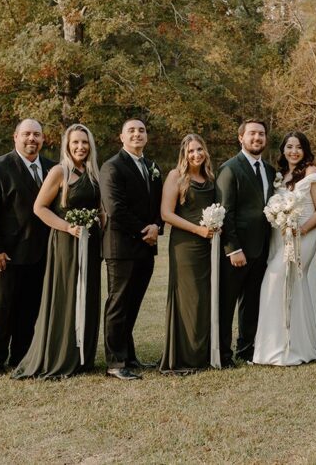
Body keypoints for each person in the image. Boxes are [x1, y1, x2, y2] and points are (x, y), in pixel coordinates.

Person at [13, 124, 103, 379]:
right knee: (66, 295)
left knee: (88, 294)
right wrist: (67, 227)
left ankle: (82, 355)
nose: (80, 147)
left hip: (91, 243)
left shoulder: (93, 172)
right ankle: (61, 353)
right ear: (67, 145)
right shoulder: (59, 171)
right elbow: (39, 208)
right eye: (75, 142)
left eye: (84, 142)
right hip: (66, 243)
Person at [0, 118, 55, 375]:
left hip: (40, 252)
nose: (32, 139)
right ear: (15, 136)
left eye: (37, 135)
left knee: (29, 308)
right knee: (0, 309)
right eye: (27, 134)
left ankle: (21, 356)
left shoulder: (52, 168)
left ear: (43, 139)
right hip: (5, 253)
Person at [252, 132, 316, 366]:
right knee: (290, 286)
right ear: (283, 150)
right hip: (280, 237)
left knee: (276, 281)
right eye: (289, 146)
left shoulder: (313, 173)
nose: (293, 151)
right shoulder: (280, 176)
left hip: (303, 237)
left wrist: (302, 230)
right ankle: (280, 346)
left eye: (298, 147)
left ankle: (292, 349)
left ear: (305, 150)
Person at [100, 117, 164, 380]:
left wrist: (157, 226)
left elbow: (160, 205)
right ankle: (115, 363)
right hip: (121, 247)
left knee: (134, 303)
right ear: (121, 137)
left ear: (146, 136)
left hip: (146, 247)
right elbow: (115, 209)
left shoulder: (152, 166)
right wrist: (144, 230)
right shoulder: (112, 167)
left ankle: (129, 355)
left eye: (141, 130)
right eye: (131, 131)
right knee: (118, 303)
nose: (137, 134)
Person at [217, 119, 275, 366]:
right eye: (252, 134)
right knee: (227, 303)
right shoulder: (230, 168)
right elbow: (225, 212)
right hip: (238, 249)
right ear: (241, 137)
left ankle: (247, 349)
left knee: (252, 302)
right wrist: (233, 249)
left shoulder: (270, 171)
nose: (257, 138)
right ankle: (222, 352)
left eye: (261, 134)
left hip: (262, 248)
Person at [159, 134, 217, 374]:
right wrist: (198, 230)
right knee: (188, 298)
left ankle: (203, 353)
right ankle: (185, 355)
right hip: (185, 245)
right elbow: (166, 214)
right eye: (191, 151)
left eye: (200, 149)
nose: (196, 154)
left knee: (205, 298)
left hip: (208, 245)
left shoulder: (210, 177)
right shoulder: (176, 177)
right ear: (184, 154)